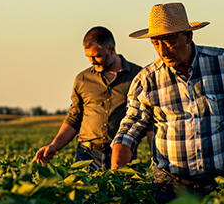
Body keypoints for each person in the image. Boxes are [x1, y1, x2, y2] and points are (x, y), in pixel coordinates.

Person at [110, 2, 224, 204]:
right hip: (169, 187)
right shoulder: (147, 80)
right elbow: (129, 130)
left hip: (222, 183)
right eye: (156, 43)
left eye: (170, 42)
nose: (163, 51)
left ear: (188, 37)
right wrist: (117, 174)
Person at [35, 26, 146, 171]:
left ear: (111, 49)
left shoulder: (137, 76)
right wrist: (54, 146)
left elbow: (148, 120)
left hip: (123, 153)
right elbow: (74, 118)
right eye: (88, 57)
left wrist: (154, 157)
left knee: (123, 192)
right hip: (86, 155)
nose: (92, 61)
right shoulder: (83, 79)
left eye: (97, 56)